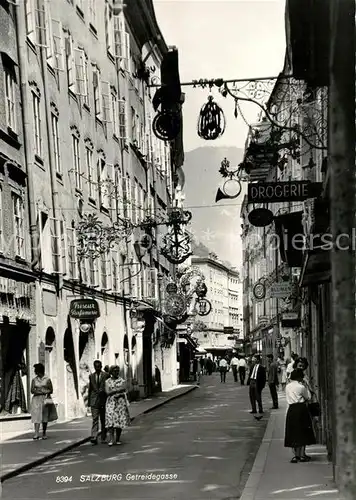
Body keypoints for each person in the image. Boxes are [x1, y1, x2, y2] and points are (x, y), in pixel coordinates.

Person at [284, 368, 316, 463]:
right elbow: (308, 397)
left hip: (291, 409)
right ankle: (302, 455)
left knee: (294, 431)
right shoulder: (301, 387)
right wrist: (307, 385)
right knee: (303, 431)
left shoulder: (288, 386)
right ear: (300, 377)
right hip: (301, 409)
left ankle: (296, 455)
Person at [105, 365, 131, 446]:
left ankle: (118, 439)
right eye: (114, 371)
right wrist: (118, 390)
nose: (116, 372)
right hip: (111, 403)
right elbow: (107, 392)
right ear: (111, 372)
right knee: (110, 420)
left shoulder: (122, 380)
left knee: (119, 421)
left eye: (117, 371)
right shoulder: (107, 381)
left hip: (120, 403)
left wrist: (113, 390)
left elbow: (124, 389)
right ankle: (112, 439)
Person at [30, 363, 55, 440]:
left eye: (36, 370)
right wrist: (42, 391)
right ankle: (36, 433)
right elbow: (32, 390)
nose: (35, 372)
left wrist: (42, 391)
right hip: (36, 399)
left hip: (45, 399)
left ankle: (44, 433)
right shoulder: (34, 380)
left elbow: (51, 390)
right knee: (36, 416)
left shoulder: (47, 379)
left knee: (45, 416)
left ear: (39, 371)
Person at [88, 360, 108, 445]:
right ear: (94, 367)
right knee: (95, 419)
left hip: (103, 400)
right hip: (94, 401)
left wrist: (104, 391)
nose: (98, 368)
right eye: (96, 367)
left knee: (103, 420)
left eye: (99, 366)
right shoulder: (91, 376)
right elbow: (90, 389)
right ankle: (94, 437)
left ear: (101, 366)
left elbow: (108, 387)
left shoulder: (106, 375)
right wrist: (89, 402)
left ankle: (103, 437)